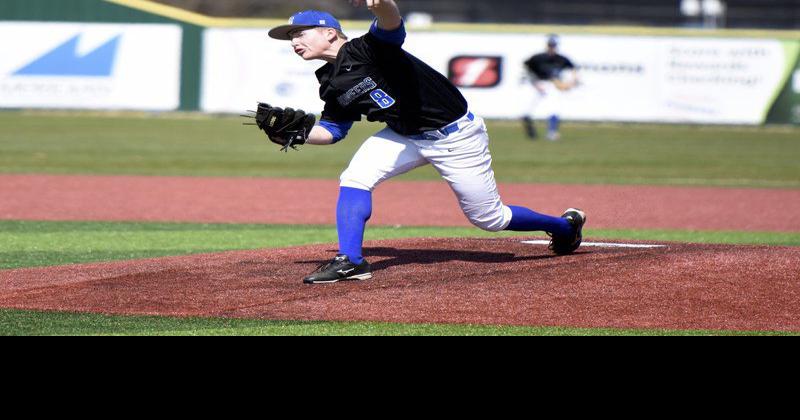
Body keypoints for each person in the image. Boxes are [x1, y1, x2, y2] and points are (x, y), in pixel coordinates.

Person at [266, 0, 586, 284]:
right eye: (290, 37)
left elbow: (391, 23)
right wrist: (299, 133)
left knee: (490, 219)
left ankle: (564, 227)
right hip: (404, 135)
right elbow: (333, 130)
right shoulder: (328, 81)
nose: (293, 41)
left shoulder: (368, 48)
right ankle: (351, 260)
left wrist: (381, 3)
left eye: (300, 33)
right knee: (355, 177)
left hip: (454, 136)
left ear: (329, 33)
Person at [522, 35, 579, 141]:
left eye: (553, 45)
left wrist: (572, 82)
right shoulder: (538, 58)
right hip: (538, 84)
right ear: (547, 45)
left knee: (554, 108)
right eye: (550, 45)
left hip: (553, 85)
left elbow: (573, 68)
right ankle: (531, 131)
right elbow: (527, 68)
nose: (552, 47)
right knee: (529, 111)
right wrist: (534, 82)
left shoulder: (561, 59)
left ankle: (552, 132)